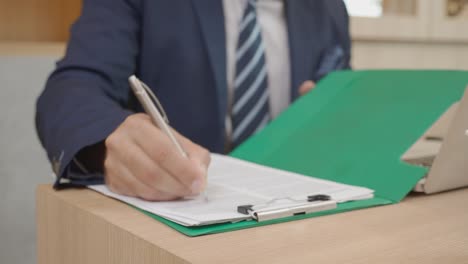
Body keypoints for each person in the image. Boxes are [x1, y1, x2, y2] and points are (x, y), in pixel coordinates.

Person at [36, 0, 351, 201]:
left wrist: (335, 113)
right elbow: (71, 89)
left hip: (298, 216)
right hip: (181, 222)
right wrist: (110, 140)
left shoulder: (331, 8)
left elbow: (341, 99)